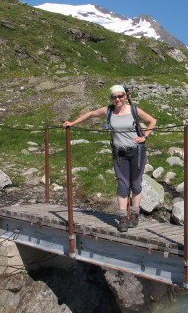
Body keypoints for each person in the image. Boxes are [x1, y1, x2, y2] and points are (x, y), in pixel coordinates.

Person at [62, 85, 156, 232]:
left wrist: (144, 136)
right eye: (114, 97)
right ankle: (122, 218)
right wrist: (72, 123)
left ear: (125, 96)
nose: (117, 99)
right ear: (111, 98)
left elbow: (152, 121)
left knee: (136, 184)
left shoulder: (133, 110)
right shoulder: (108, 111)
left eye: (120, 96)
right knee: (123, 185)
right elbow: (91, 114)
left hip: (137, 152)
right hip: (119, 153)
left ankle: (135, 215)